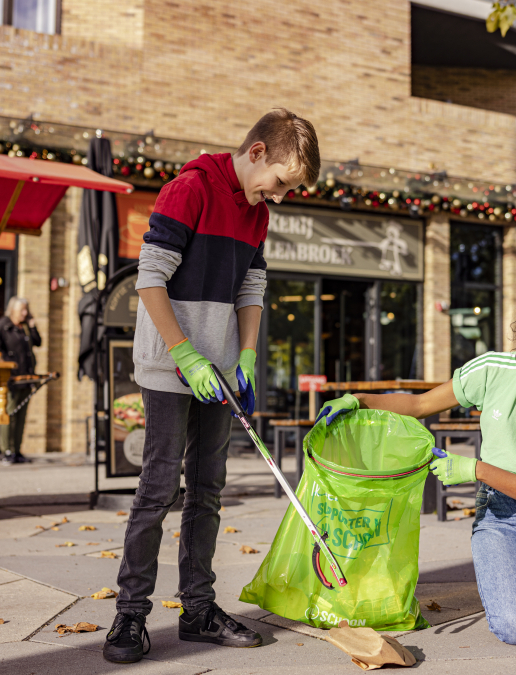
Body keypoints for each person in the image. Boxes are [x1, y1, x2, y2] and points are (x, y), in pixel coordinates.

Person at [103, 109, 320, 664]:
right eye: (280, 182)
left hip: (219, 370)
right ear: (256, 154)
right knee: (158, 487)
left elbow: (252, 283)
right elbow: (150, 278)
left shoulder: (256, 210)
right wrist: (183, 352)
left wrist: (245, 354)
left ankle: (198, 610)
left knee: (207, 491)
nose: (280, 196)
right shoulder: (189, 189)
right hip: (170, 366)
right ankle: (130, 614)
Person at [317, 270, 516, 648]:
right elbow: (420, 404)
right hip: (501, 516)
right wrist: (358, 400)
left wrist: (475, 468)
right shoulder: (494, 369)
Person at [0, 296, 41, 465]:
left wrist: (33, 326)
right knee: (9, 414)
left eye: (26, 310)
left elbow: (38, 342)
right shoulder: (3, 326)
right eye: (22, 310)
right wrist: (6, 366)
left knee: (21, 416)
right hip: (11, 379)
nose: (25, 313)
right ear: (12, 310)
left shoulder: (25, 327)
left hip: (26, 378)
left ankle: (17, 450)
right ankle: (7, 450)